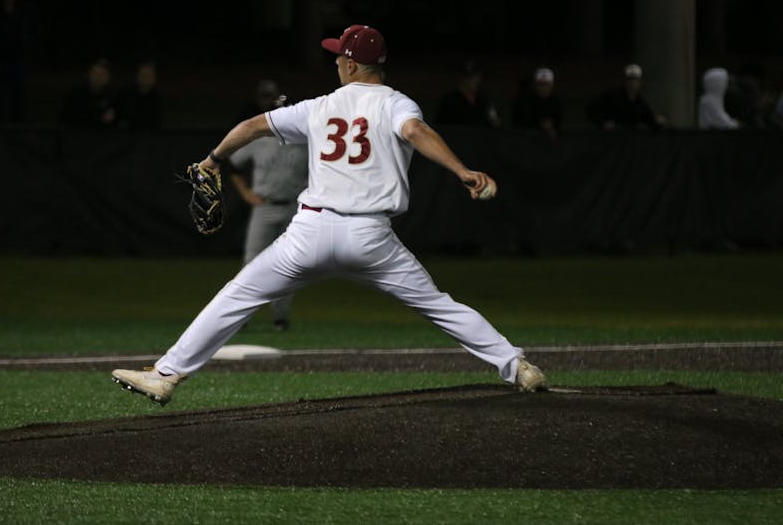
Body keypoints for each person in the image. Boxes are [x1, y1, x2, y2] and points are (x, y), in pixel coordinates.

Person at [111, 24, 547, 405]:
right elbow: (415, 131)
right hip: (372, 239)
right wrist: (462, 170)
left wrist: (211, 160)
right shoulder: (396, 104)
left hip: (311, 233)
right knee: (438, 306)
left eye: (341, 55)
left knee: (238, 295)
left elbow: (251, 127)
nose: (337, 61)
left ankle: (166, 375)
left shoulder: (317, 106)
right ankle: (516, 364)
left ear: (354, 65)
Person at [228, 84, 308, 331]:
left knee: (290, 263)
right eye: (278, 109)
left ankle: (280, 317)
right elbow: (232, 166)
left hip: (294, 208)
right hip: (265, 206)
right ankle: (240, 316)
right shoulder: (259, 139)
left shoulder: (304, 139)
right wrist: (246, 193)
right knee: (251, 262)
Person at [585, 63, 666, 130]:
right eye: (630, 79)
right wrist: (603, 123)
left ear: (641, 83)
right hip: (611, 141)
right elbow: (591, 109)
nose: (633, 83)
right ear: (625, 81)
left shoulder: (640, 102)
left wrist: (657, 121)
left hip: (628, 143)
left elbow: (648, 119)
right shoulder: (611, 96)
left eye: (636, 80)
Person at [433, 60, 501, 128]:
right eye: (470, 78)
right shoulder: (450, 100)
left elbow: (495, 124)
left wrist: (495, 122)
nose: (474, 80)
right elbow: (441, 126)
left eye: (476, 77)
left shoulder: (485, 100)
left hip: (481, 137)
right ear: (462, 79)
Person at [57, 58, 118, 128]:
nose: (98, 77)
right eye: (95, 73)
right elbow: (66, 117)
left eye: (103, 74)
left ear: (108, 78)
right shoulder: (76, 93)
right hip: (76, 134)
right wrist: (99, 119)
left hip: (103, 135)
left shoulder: (112, 95)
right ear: (89, 74)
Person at [512, 67, 563, 139]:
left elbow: (558, 122)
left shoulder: (556, 102)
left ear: (552, 85)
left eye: (546, 84)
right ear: (535, 85)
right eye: (541, 84)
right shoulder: (526, 102)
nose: (543, 88)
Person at [116, 60, 162, 131]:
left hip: (149, 135)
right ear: (137, 76)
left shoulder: (157, 96)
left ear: (154, 78)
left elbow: (157, 121)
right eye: (143, 75)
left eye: (149, 76)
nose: (146, 79)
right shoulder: (125, 93)